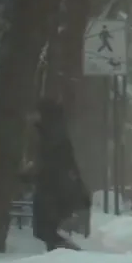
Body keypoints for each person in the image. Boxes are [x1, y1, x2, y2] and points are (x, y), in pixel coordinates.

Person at [31, 99, 88, 251]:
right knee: (46, 229)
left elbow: (52, 163)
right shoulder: (54, 132)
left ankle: (64, 252)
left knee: (45, 228)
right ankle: (60, 253)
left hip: (52, 189)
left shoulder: (51, 135)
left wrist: (35, 175)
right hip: (55, 188)